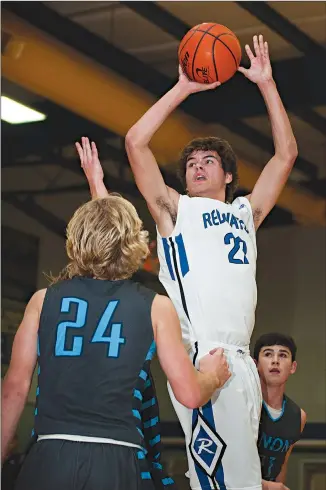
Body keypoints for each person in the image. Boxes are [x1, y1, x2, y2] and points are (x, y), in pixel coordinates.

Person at [82, 34, 298, 490]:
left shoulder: (247, 213)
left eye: (209, 160)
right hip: (205, 358)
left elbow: (285, 156)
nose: (197, 167)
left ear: (229, 175)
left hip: (243, 363)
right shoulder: (175, 210)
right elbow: (136, 142)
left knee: (241, 482)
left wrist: (267, 85)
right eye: (191, 163)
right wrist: (183, 87)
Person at [1, 195, 231, 490]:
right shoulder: (156, 306)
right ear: (134, 243)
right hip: (117, 459)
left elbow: (14, 390)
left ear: (76, 239)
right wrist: (214, 376)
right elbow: (189, 393)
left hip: (49, 456)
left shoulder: (42, 301)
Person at [254, 333, 306, 490]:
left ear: (293, 367)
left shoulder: (298, 416)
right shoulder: (244, 405)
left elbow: (281, 464)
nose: (275, 360)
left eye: (283, 355)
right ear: (255, 364)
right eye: (268, 354)